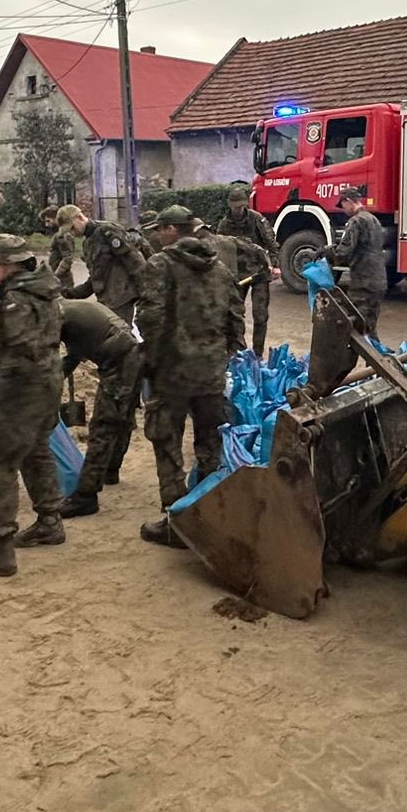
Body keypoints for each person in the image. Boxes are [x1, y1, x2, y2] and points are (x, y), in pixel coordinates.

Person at [136, 204, 242, 547]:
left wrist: (151, 361)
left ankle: (176, 520)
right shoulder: (221, 269)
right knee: (209, 443)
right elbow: (236, 319)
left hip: (172, 372)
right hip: (211, 372)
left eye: (160, 229)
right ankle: (211, 513)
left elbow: (150, 318)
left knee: (166, 443)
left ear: (171, 230)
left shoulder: (161, 265)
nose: (156, 235)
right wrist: (223, 357)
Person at [0, 233, 66, 577]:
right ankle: (50, 520)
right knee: (37, 449)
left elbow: (15, 350)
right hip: (49, 378)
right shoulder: (45, 290)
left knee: (1, 462)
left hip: (24, 385)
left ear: (6, 265)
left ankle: (0, 547)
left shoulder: (15, 299)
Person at [57, 296, 142, 517]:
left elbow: (48, 354)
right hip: (133, 354)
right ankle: (110, 470)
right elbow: (74, 355)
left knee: (102, 426)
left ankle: (85, 497)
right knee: (122, 418)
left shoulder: (56, 314)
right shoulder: (72, 307)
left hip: (118, 360)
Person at [221, 185, 282, 358]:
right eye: (235, 206)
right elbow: (219, 247)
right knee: (234, 314)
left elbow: (271, 243)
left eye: (241, 206)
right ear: (230, 206)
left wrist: (275, 265)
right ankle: (238, 352)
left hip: (259, 272)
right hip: (238, 274)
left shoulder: (256, 219)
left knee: (260, 315)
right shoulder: (225, 224)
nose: (239, 210)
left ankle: (257, 353)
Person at [326, 183, 388, 332]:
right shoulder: (374, 220)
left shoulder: (356, 221)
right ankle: (379, 354)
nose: (343, 209)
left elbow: (343, 254)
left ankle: (348, 356)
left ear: (348, 201)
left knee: (352, 327)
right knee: (369, 327)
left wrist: (328, 254)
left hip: (363, 282)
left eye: (343, 205)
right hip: (379, 280)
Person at [62, 210, 145, 322]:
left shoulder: (107, 231)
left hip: (122, 297)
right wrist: (70, 293)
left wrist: (148, 293)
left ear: (80, 217)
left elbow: (135, 262)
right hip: (107, 301)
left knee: (120, 336)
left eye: (72, 228)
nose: (72, 233)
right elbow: (96, 276)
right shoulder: (87, 243)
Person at [48, 207, 79, 283]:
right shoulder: (58, 235)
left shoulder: (62, 236)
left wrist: (56, 276)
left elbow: (67, 259)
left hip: (62, 279)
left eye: (48, 221)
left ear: (56, 218)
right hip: (59, 276)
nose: (47, 224)